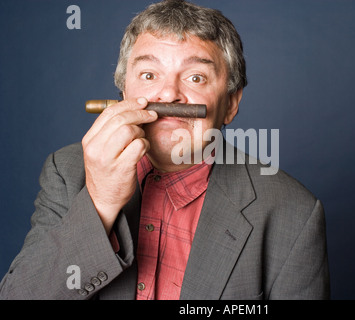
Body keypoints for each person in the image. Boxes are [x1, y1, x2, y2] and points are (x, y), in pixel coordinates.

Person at [0, 0, 329, 300]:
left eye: (196, 77)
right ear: (123, 91)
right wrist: (100, 202)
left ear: (230, 103)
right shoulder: (67, 170)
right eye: (148, 74)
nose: (169, 95)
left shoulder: (293, 212)